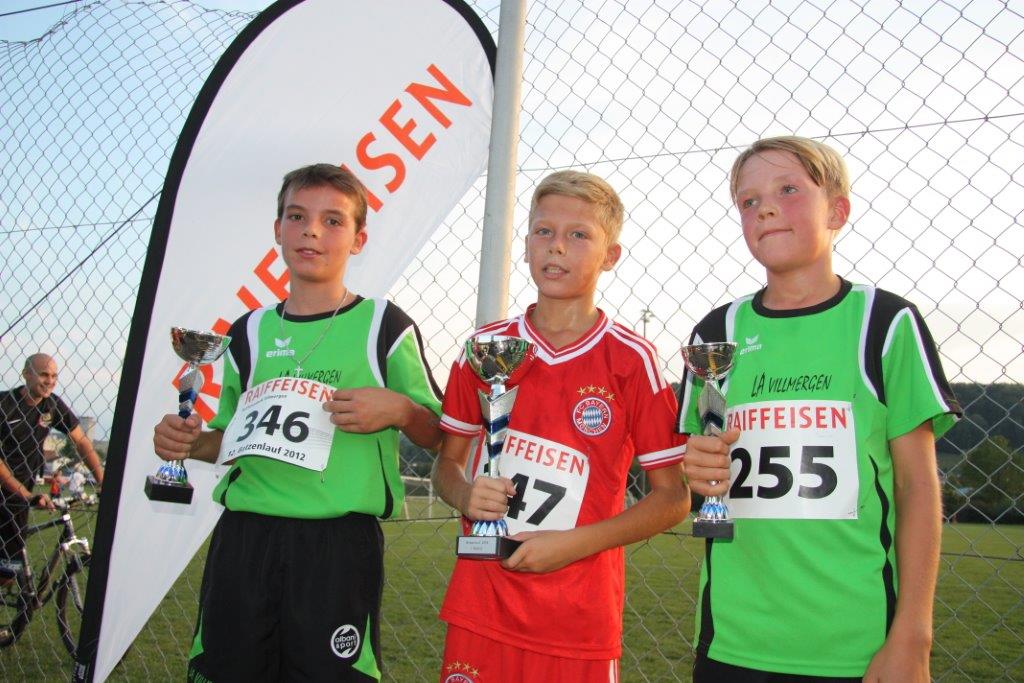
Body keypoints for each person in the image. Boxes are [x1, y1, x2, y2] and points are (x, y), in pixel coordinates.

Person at [679, 136, 962, 682]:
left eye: (788, 190)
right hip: (732, 640)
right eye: (748, 201)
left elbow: (916, 485)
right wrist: (699, 470)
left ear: (837, 211)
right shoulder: (716, 332)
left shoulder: (885, 323)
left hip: (856, 646)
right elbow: (702, 469)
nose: (765, 208)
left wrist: (913, 634)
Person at [152, 164, 443, 682]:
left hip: (336, 546)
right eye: (297, 216)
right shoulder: (247, 332)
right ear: (278, 230)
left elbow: (441, 435)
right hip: (245, 538)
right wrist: (189, 442)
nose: (311, 231)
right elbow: (229, 439)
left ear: (358, 239)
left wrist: (401, 411)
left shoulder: (384, 325)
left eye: (333, 221)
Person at [433, 170, 690, 682]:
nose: (556, 246)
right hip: (481, 603)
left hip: (577, 619)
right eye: (544, 231)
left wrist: (574, 543)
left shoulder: (631, 359)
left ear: (610, 256)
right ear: (527, 243)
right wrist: (464, 496)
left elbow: (673, 498)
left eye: (579, 235)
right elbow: (447, 464)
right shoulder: (485, 349)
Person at [1, 353, 105, 566]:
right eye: (44, 374)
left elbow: (81, 441)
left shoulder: (52, 406)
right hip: (10, 489)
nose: (50, 381)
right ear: (26, 374)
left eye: (54, 376)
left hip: (20, 496)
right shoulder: (5, 404)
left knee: (9, 570)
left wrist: (102, 480)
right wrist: (27, 495)